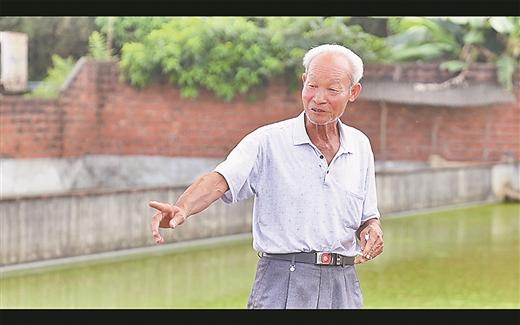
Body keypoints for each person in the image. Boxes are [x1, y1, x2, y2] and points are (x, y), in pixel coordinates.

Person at [149, 44, 384, 309]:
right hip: (284, 279)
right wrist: (182, 207)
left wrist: (372, 230)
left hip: (343, 283)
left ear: (353, 92)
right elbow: (221, 179)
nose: (318, 97)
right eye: (312, 85)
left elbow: (367, 216)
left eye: (332, 89)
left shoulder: (360, 145)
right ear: (303, 82)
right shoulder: (267, 141)